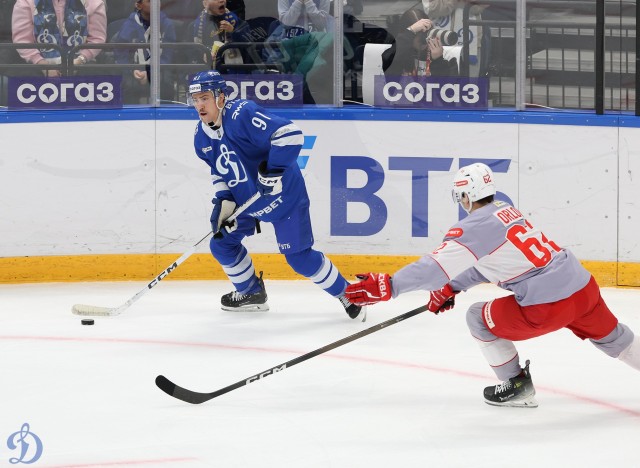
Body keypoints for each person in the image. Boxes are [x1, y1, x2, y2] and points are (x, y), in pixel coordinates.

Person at [344, 162, 640, 407]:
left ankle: (516, 384)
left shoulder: (474, 227)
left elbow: (433, 269)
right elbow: (490, 265)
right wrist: (451, 287)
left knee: (477, 317)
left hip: (548, 305)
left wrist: (390, 285)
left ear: (466, 195)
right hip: (584, 289)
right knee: (617, 339)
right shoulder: (505, 210)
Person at [187, 69, 365, 321]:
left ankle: (349, 294)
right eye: (195, 100)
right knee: (221, 243)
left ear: (221, 97)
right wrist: (224, 199)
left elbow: (290, 134)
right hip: (247, 202)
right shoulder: (200, 137)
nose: (199, 105)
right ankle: (251, 293)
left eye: (205, 98)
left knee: (300, 259)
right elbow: (218, 170)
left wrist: (273, 171)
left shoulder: (242, 114)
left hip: (285, 198)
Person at [12, 0, 107, 77]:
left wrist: (79, 61)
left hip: (81, 64)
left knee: (93, 74)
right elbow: (22, 40)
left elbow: (97, 39)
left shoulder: (94, 2)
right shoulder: (25, 2)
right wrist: (43, 65)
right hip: (38, 65)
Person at [113, 0, 176, 104]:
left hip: (160, 70)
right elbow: (120, 54)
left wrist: (151, 72)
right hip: (134, 71)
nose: (156, 3)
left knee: (166, 83)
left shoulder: (167, 24)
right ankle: (131, 114)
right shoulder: (128, 25)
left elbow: (168, 54)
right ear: (138, 5)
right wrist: (131, 70)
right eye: (149, 1)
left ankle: (165, 114)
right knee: (128, 85)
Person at [383, 7, 459, 77]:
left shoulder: (447, 56)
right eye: (418, 33)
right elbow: (387, 72)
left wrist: (438, 61)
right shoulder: (400, 53)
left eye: (426, 32)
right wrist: (411, 30)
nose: (423, 38)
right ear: (407, 36)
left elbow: (447, 86)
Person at [188, 0, 251, 68]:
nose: (221, 0)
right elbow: (189, 52)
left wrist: (233, 31)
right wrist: (203, 54)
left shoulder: (235, 20)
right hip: (208, 69)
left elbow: (249, 44)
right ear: (205, 3)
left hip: (232, 69)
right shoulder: (195, 26)